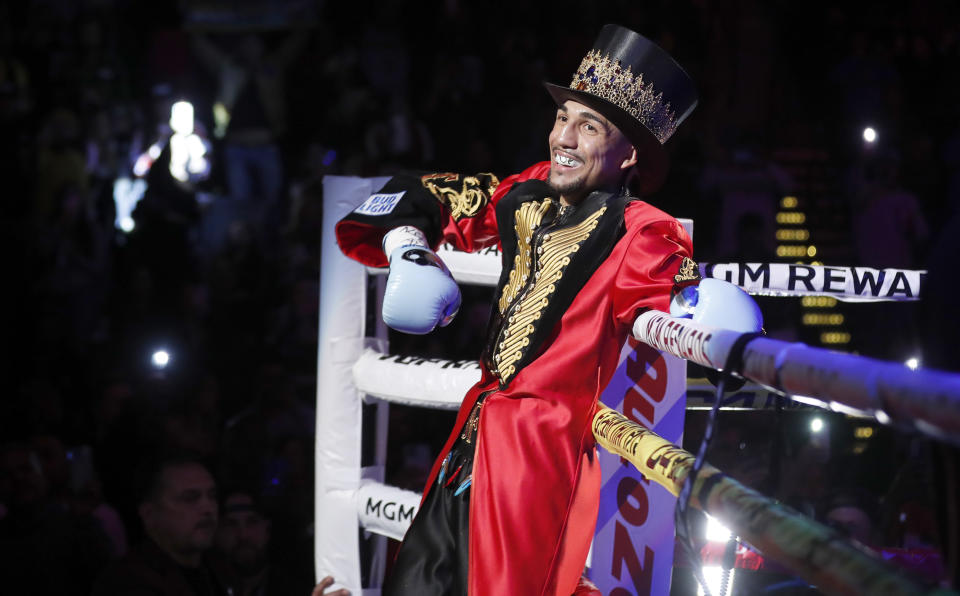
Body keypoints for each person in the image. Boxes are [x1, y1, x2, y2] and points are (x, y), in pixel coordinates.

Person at [334, 26, 712, 595]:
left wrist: (706, 310)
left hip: (537, 461)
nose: (564, 136)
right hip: (471, 439)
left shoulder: (644, 230)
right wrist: (407, 243)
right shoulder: (531, 190)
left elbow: (676, 302)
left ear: (628, 153)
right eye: (564, 117)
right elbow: (435, 192)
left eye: (590, 126)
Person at [92, 454, 234, 596]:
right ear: (149, 513)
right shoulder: (128, 582)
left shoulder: (220, 568)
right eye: (190, 498)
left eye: (212, 496)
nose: (208, 507)